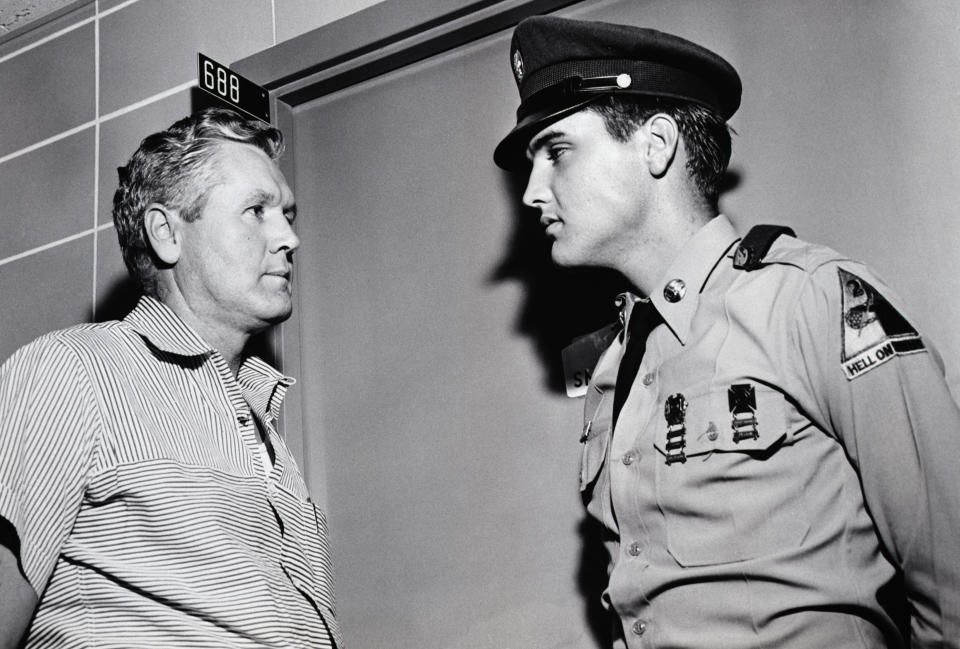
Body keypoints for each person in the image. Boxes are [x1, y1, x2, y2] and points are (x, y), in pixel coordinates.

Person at [494, 15, 960, 649]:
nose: (530, 192)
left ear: (656, 145)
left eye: (556, 151)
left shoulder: (813, 300)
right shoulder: (614, 371)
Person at [0, 108, 342, 648]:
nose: (289, 238)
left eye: (289, 215)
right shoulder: (74, 369)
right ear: (166, 234)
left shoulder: (265, 430)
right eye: (257, 210)